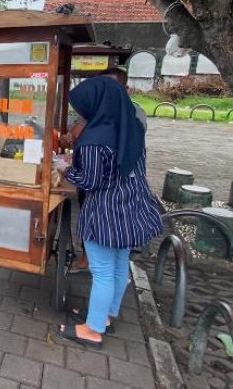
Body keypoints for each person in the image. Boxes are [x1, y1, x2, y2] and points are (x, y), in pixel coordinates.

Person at [56, 76, 162, 348]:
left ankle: (92, 330)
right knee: (118, 265)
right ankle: (105, 316)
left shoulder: (94, 139)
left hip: (107, 213)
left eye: (82, 107)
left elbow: (90, 181)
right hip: (133, 207)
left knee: (102, 271)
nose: (80, 113)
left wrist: (64, 167)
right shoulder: (132, 126)